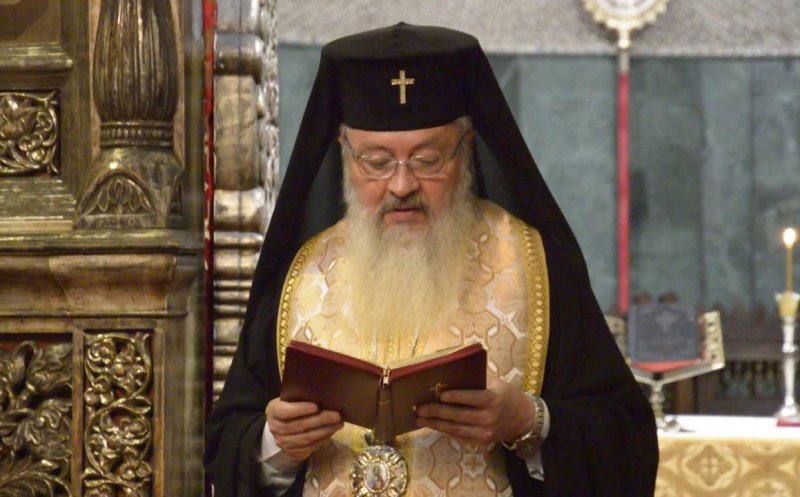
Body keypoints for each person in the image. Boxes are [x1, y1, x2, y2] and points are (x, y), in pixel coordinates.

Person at [205, 23, 659, 497]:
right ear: (344, 152)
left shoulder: (533, 264)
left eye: (427, 159)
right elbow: (227, 445)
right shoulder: (303, 273)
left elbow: (625, 441)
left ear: (466, 148)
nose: (402, 185)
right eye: (376, 162)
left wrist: (528, 422)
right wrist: (276, 444)